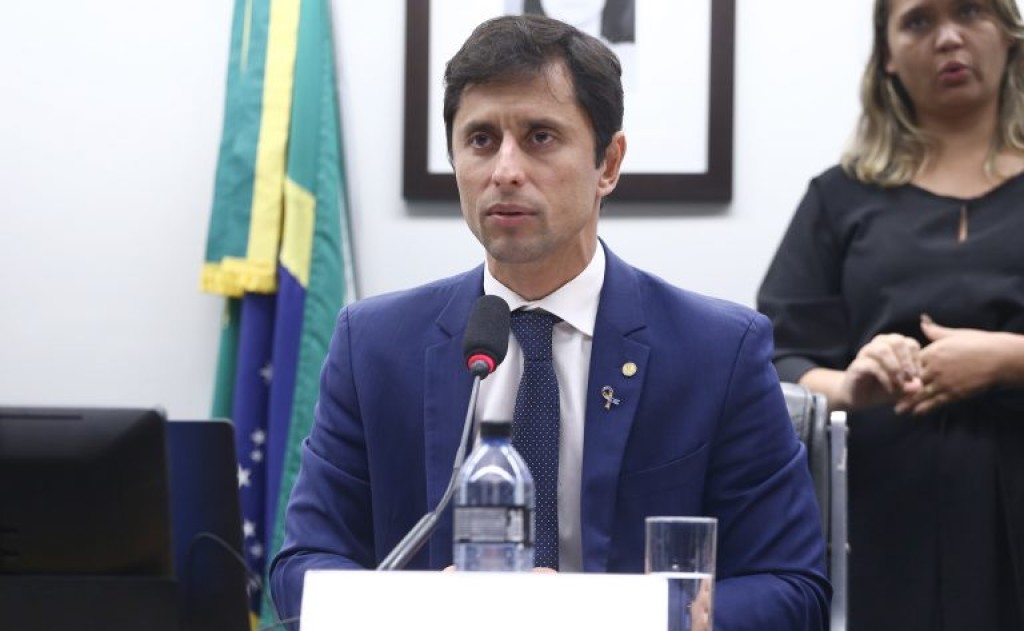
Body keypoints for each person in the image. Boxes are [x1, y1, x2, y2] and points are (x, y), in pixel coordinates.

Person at [271, 14, 829, 630]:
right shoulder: (374, 346)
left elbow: (793, 589)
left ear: (608, 163)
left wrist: (594, 616)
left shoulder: (718, 352)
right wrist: (424, 608)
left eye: (540, 137)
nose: (505, 170)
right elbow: (301, 569)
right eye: (481, 139)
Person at [757, 0, 1024, 629]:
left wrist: (1006, 360)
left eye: (970, 11)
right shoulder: (838, 197)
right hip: (882, 519)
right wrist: (851, 386)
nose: (949, 37)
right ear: (887, 59)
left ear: (1010, 34)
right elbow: (777, 359)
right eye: (918, 21)